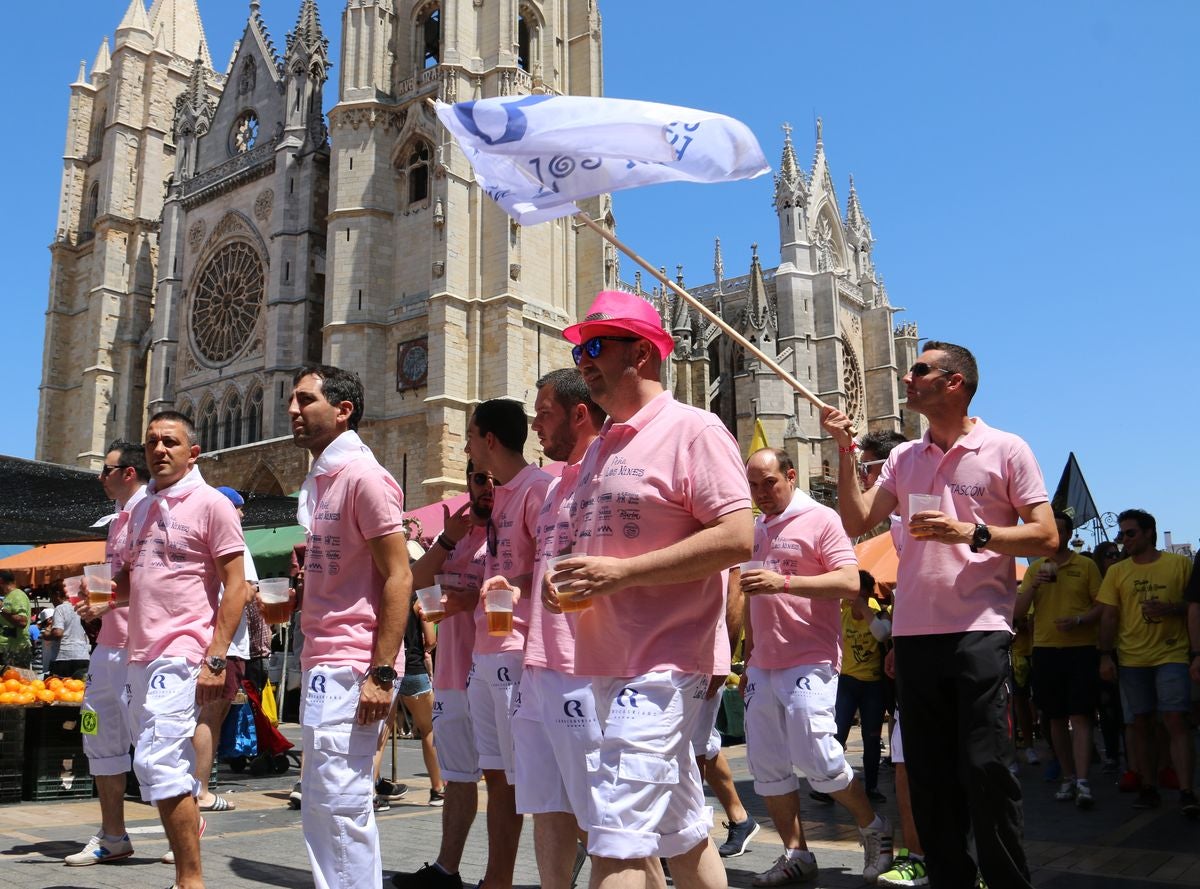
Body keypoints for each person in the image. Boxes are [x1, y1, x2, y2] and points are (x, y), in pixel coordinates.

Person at [823, 341, 1058, 889]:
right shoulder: (905, 457)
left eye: (920, 370)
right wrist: (844, 450)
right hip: (914, 635)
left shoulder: (1006, 448)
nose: (907, 378)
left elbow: (1046, 536)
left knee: (985, 768)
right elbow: (856, 520)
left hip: (979, 629)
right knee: (927, 777)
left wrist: (970, 532)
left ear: (954, 382)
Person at [547, 290, 752, 889]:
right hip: (607, 661)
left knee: (614, 835)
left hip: (664, 666)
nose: (583, 361)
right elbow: (596, 552)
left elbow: (738, 537)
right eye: (580, 349)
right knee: (679, 831)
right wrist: (568, 585)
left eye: (594, 347)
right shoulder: (601, 447)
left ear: (641, 353)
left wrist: (623, 574)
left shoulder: (694, 429)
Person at [740, 447, 891, 886]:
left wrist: (785, 582)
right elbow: (750, 599)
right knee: (767, 765)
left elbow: (849, 581)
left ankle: (874, 827)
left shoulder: (821, 519)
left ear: (791, 476)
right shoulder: (754, 529)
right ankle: (797, 854)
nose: (761, 492)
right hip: (763, 663)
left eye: (769, 482)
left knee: (819, 755)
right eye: (753, 485)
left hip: (810, 657)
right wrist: (748, 656)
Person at [287, 364, 413, 889]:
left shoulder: (364, 476)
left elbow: (400, 575)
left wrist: (381, 673)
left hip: (353, 662)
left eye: (305, 400)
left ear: (343, 410)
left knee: (340, 801)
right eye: (293, 400)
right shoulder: (324, 479)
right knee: (323, 800)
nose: (292, 410)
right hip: (325, 660)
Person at [115, 412, 251, 889]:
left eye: (170, 441)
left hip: (184, 651)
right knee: (157, 768)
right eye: (152, 441)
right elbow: (132, 579)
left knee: (157, 763)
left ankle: (190, 881)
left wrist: (216, 657)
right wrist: (100, 597)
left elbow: (237, 585)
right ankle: (186, 870)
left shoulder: (212, 504)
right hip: (140, 653)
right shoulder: (139, 508)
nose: (159, 449)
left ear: (193, 453)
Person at [512, 368, 605, 889]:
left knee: (602, 819)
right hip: (538, 665)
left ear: (579, 414)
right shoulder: (555, 486)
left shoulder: (604, 478)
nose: (536, 427)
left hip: (582, 668)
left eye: (544, 415)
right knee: (547, 806)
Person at [390, 464, 491, 889]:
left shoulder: (511, 527)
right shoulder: (455, 534)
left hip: (499, 674)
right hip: (452, 676)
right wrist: (448, 538)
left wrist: (470, 600)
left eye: (493, 479)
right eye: (479, 479)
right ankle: (447, 870)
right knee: (459, 778)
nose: (487, 488)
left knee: (515, 781)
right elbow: (415, 581)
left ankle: (503, 876)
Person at [468, 397, 553, 889]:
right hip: (487, 648)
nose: (466, 447)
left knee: (532, 778)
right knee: (497, 776)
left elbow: (552, 565)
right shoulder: (501, 493)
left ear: (490, 440)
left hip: (517, 649)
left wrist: (515, 585)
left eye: (470, 436)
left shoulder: (537, 489)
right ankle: (496, 879)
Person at [65, 439, 149, 867]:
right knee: (98, 736)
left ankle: (184, 829)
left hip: (145, 648)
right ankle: (112, 834)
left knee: (155, 746)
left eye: (106, 470)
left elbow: (152, 580)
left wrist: (109, 598)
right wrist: (94, 596)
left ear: (128, 473)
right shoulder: (116, 519)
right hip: (108, 647)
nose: (100, 477)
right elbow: (116, 583)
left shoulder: (152, 511)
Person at [1096, 508, 1197, 817]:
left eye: (1130, 533)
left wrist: (1172, 608)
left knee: (1175, 719)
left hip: (1172, 654)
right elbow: (1109, 616)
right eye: (1121, 534)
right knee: (1141, 723)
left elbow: (1193, 605)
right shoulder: (1117, 572)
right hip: (1132, 658)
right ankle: (1148, 786)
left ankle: (1187, 790)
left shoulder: (1179, 564)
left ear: (1149, 532)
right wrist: (1105, 655)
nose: (1124, 539)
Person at [1014, 510, 1103, 809]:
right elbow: (1018, 612)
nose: (1055, 535)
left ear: (1068, 534)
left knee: (1080, 715)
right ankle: (1068, 776)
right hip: (1045, 649)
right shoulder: (1035, 569)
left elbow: (1101, 606)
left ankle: (1083, 781)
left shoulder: (1086, 566)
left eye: (1060, 530)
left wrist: (1079, 620)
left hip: (1081, 648)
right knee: (1054, 717)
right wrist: (1034, 586)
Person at [191, 485, 258, 814]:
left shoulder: (197, 538)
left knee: (197, 716)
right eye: (238, 508)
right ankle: (199, 790)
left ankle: (188, 787)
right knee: (210, 717)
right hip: (225, 645)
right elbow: (246, 592)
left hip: (199, 640)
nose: (242, 515)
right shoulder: (235, 542)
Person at [832, 569, 889, 805]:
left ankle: (871, 786)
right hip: (847, 683)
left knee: (872, 737)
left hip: (873, 685)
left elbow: (882, 635)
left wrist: (865, 609)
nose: (856, 600)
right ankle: (831, 786)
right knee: (837, 735)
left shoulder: (880, 615)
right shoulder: (841, 613)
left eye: (863, 595)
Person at [46, 581, 90, 678]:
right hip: (82, 656)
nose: (51, 601)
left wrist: (47, 635)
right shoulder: (81, 607)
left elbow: (58, 633)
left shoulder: (60, 608)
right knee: (81, 686)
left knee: (59, 686)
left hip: (63, 657)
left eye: (51, 596)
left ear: (57, 594)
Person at [0, 569, 32, 669]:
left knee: (14, 678)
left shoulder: (18, 595)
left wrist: (1, 609)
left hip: (16, 651)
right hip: (6, 650)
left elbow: (22, 621)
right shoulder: (7, 597)